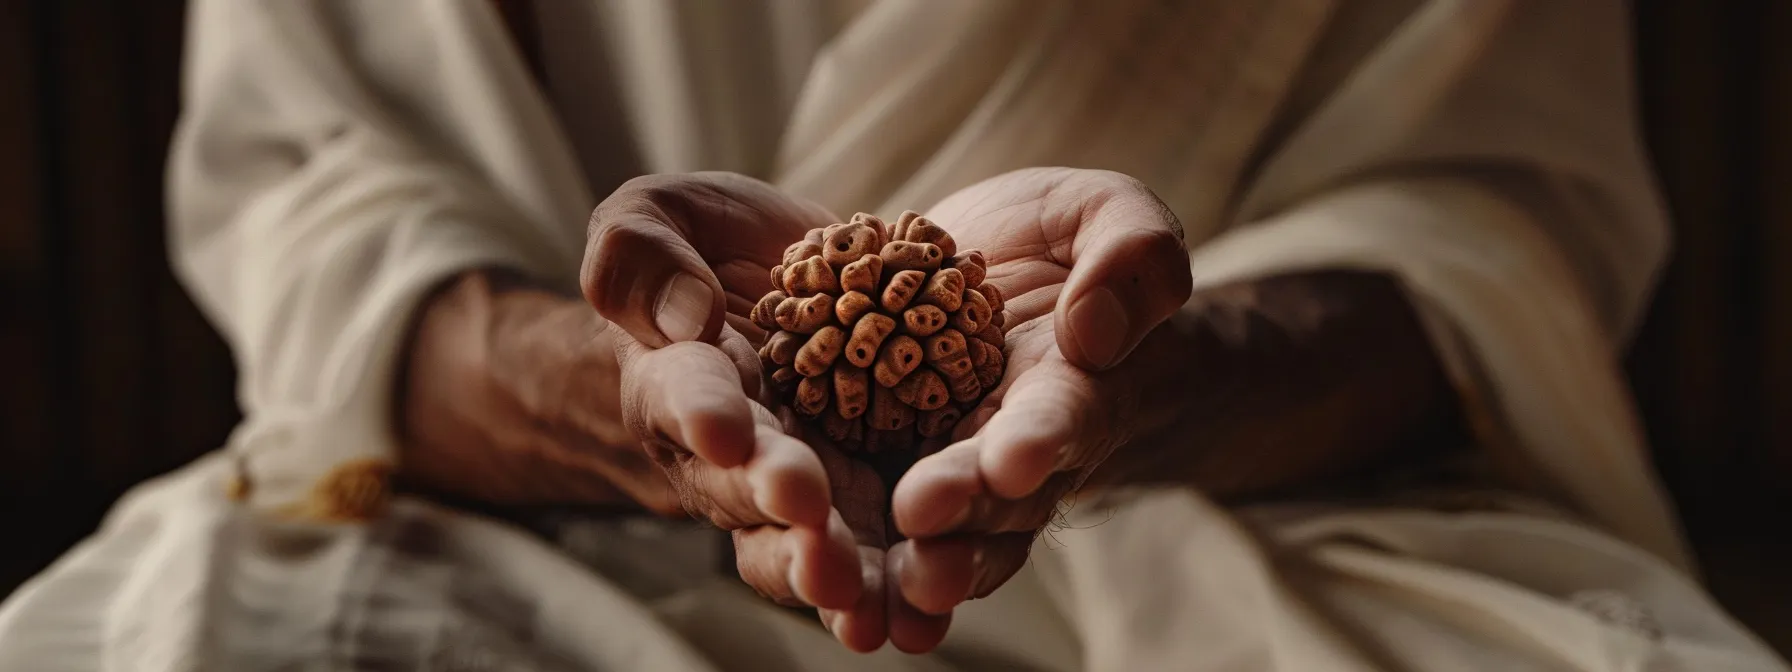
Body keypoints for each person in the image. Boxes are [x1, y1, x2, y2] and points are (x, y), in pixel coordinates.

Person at [1, 0, 1785, 669]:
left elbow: (1488, 228)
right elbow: (325, 214)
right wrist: (630, 401)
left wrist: (1142, 377)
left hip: (1266, 525)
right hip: (500, 517)